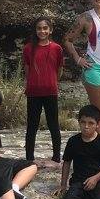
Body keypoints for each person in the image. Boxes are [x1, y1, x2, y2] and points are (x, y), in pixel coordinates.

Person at [22, 16, 64, 167]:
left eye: (45, 28)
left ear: (50, 30)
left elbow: (59, 69)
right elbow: (27, 69)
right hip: (33, 92)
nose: (42, 31)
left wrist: (51, 81)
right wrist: (34, 82)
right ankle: (29, 158)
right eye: (39, 28)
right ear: (35, 30)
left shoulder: (57, 48)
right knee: (32, 125)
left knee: (54, 125)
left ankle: (56, 158)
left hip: (51, 91)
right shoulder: (28, 48)